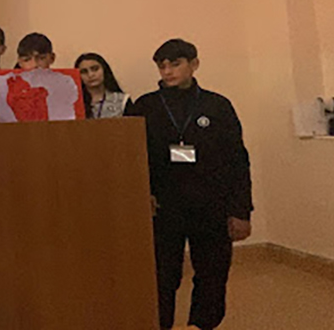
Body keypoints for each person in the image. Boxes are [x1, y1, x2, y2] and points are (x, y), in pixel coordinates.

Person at [128, 39, 253, 330]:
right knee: (162, 276)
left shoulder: (217, 105)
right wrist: (142, 194)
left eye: (175, 64)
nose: (168, 71)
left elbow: (237, 160)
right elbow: (130, 157)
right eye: (162, 66)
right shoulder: (145, 106)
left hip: (211, 205)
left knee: (212, 273)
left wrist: (241, 210)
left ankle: (202, 324)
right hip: (163, 207)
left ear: (194, 64)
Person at [75, 52, 132, 119]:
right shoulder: (73, 103)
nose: (90, 75)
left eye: (95, 69)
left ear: (104, 70)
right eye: (84, 72)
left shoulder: (122, 101)